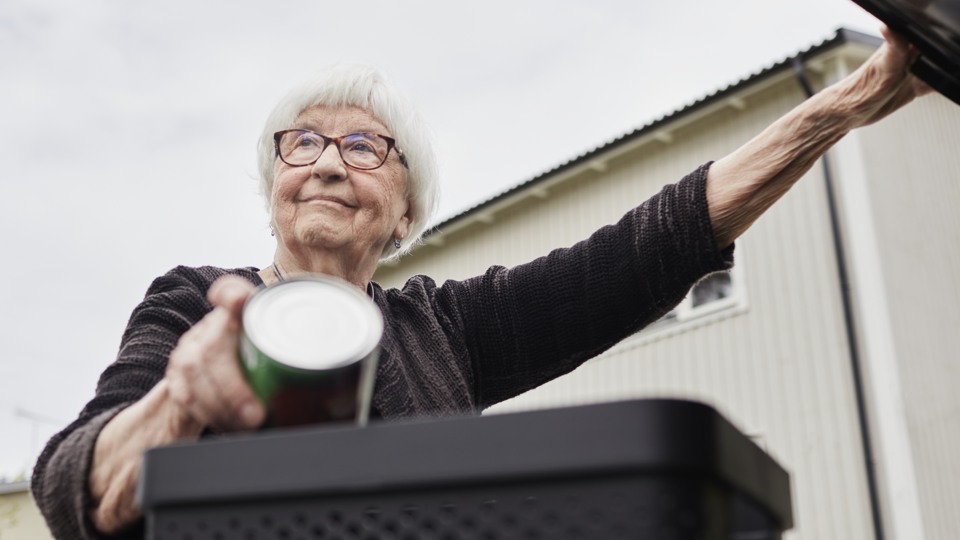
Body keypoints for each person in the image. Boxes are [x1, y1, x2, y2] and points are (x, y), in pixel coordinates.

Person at [32, 27, 928, 539]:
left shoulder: (443, 330)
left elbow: (646, 249)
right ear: (271, 188)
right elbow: (71, 486)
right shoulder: (194, 305)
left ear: (405, 208)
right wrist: (177, 405)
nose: (327, 164)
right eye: (300, 143)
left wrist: (844, 105)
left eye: (364, 147)